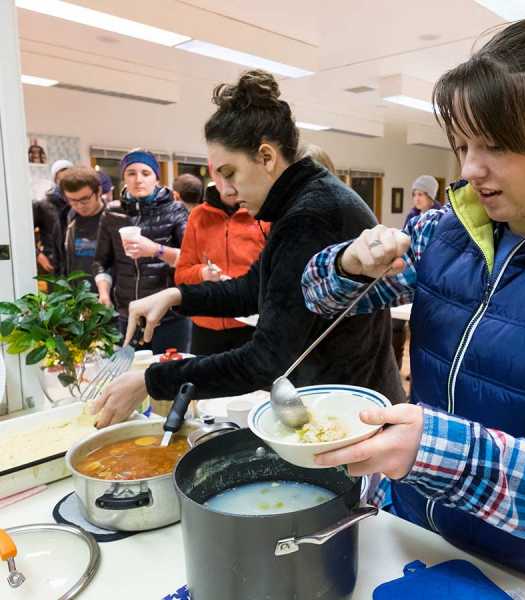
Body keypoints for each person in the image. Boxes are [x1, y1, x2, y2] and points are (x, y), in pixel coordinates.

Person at [301, 18, 525, 597]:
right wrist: (348, 263)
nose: (467, 169)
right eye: (462, 145)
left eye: (494, 145)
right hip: (413, 531)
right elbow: (318, 298)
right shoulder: (446, 231)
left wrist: (435, 451)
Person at [92, 69, 404, 428]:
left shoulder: (311, 215)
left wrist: (152, 382)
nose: (224, 188)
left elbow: (265, 360)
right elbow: (254, 288)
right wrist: (178, 296)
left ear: (267, 157)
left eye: (230, 173)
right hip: (337, 396)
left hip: (349, 411)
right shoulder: (301, 202)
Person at [92, 148, 189, 354]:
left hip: (169, 315)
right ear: (124, 177)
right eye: (131, 173)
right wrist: (103, 293)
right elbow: (101, 261)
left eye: (145, 173)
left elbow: (190, 259)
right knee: (130, 377)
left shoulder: (175, 210)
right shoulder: (112, 213)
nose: (138, 179)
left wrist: (155, 250)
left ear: (156, 178)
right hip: (127, 314)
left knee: (169, 375)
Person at [175, 168, 269, 356]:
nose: (230, 183)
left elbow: (273, 272)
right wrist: (202, 273)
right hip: (206, 327)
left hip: (252, 326)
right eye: (223, 175)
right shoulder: (198, 216)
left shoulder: (261, 215)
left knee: (252, 385)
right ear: (214, 176)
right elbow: (181, 275)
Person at [59, 167, 105, 291]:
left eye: (85, 200)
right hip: (79, 295)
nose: (79, 206)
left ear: (98, 191)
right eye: (72, 200)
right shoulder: (68, 217)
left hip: (108, 298)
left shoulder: (113, 218)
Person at [32, 159, 74, 274]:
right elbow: (24, 234)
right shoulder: (42, 204)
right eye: (61, 178)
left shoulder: (78, 201)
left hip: (77, 261)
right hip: (53, 263)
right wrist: (38, 255)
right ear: (55, 180)